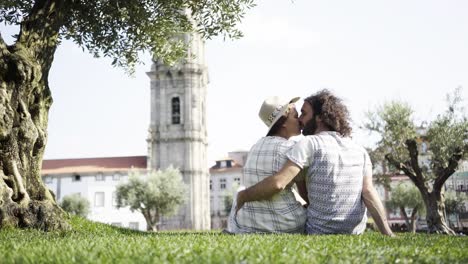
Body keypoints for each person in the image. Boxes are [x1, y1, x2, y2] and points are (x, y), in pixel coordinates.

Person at [236, 89, 394, 236]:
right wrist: (388, 233)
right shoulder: (360, 150)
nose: (300, 120)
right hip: (355, 231)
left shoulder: (308, 144)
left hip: (318, 230)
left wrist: (243, 196)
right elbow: (368, 192)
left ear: (319, 117)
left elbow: (280, 183)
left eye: (303, 114)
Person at [226, 96, 307, 234]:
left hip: (248, 223)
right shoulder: (293, 149)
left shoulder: (255, 146)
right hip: (285, 224)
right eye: (296, 116)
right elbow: (305, 195)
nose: (300, 120)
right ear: (284, 124)